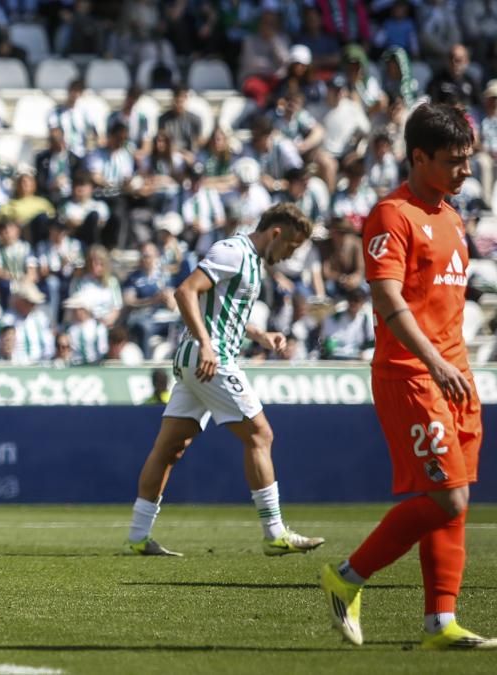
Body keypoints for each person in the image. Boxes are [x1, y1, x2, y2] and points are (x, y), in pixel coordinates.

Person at [321, 103, 496, 650]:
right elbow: (387, 298)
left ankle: (440, 623)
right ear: (419, 158)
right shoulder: (392, 215)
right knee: (449, 499)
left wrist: (453, 364)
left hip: (455, 375)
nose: (465, 170)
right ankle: (346, 577)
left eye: (468, 159)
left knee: (455, 496)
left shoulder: (452, 217)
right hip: (412, 374)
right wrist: (435, 363)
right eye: (453, 161)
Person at [126, 203, 324, 558]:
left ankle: (138, 537)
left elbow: (225, 312)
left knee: (169, 448)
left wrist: (261, 335)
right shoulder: (232, 251)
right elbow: (185, 292)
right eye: (291, 246)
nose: (290, 255)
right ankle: (275, 533)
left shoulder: (252, 262)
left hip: (198, 359)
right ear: (276, 233)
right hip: (211, 359)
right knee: (261, 434)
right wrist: (206, 344)